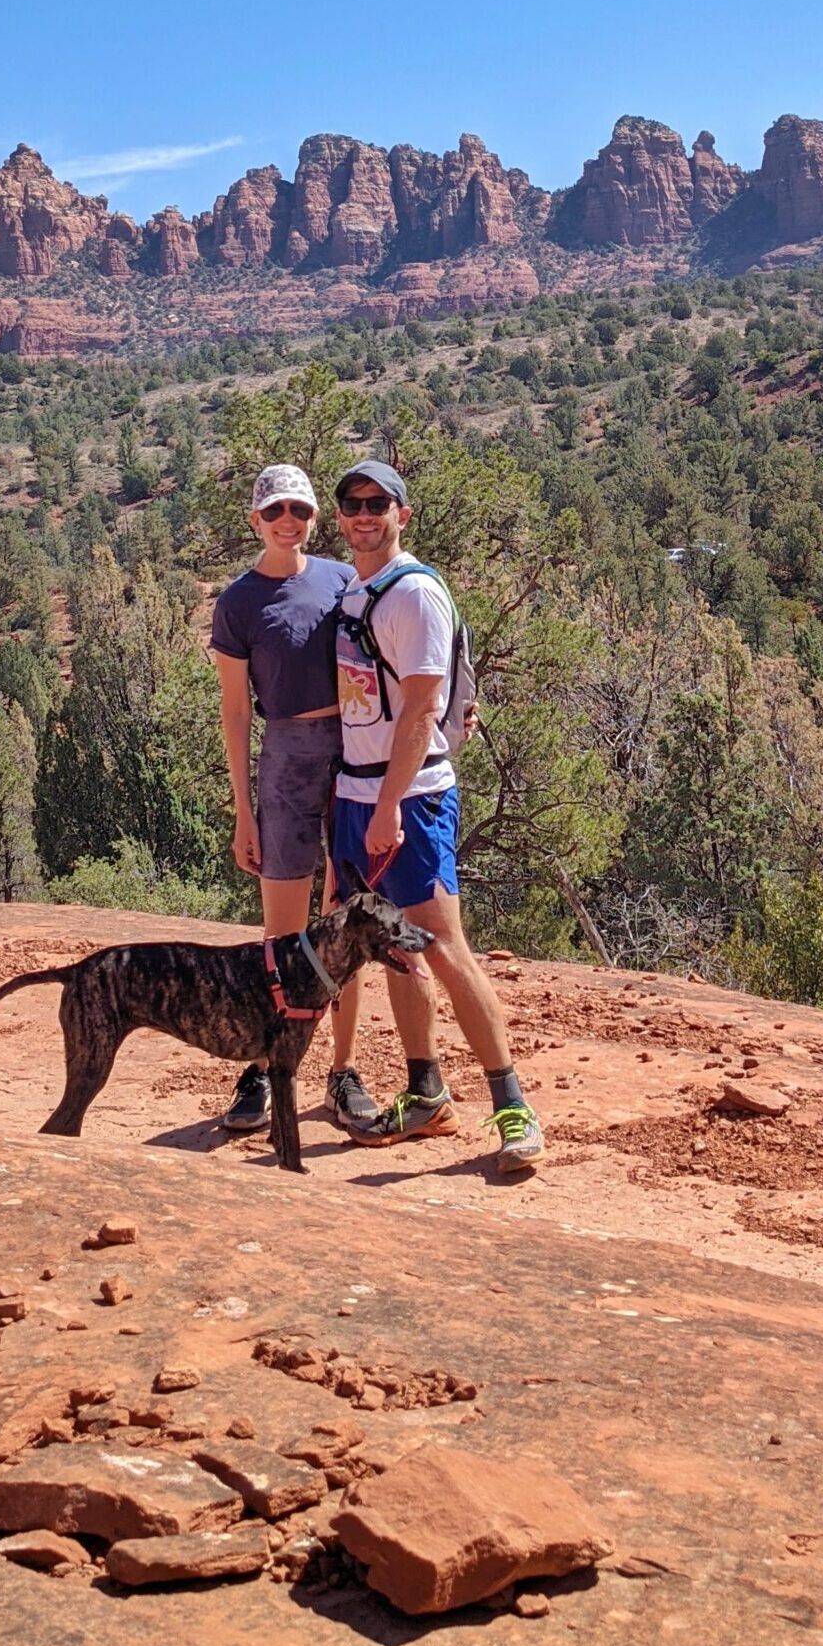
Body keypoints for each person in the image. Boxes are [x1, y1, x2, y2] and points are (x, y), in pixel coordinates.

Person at [328, 459, 545, 1174]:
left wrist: (388, 804)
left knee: (445, 946)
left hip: (407, 797)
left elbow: (422, 706)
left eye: (377, 503)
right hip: (357, 794)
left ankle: (512, 1106)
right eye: (352, 504)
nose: (364, 514)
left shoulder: (412, 592)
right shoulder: (358, 588)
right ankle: (425, 1090)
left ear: (402, 513)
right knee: (395, 946)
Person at [209, 463, 381, 1137]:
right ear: (254, 519)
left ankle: (341, 1071)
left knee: (346, 925)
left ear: (314, 519)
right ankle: (264, 1067)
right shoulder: (238, 602)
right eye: (276, 510)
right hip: (282, 763)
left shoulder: (342, 579)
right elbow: (233, 711)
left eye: (301, 511)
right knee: (281, 937)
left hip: (350, 755)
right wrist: (242, 810)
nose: (289, 521)